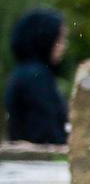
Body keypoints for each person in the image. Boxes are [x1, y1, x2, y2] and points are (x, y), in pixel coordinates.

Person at [5, 8, 69, 146]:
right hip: (37, 164)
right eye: (59, 39)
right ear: (45, 39)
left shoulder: (25, 73)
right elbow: (46, 134)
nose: (63, 46)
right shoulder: (35, 76)